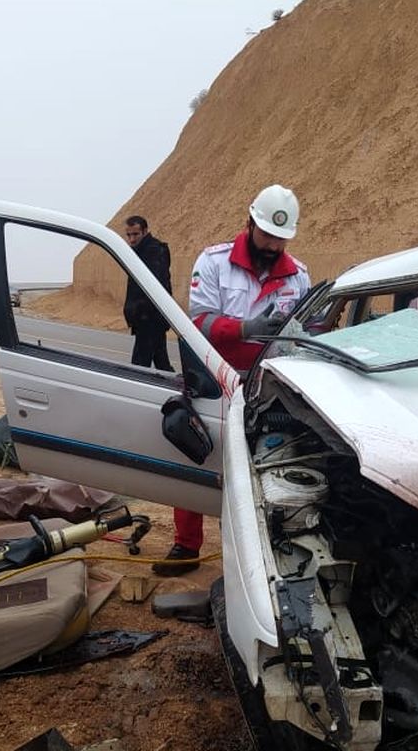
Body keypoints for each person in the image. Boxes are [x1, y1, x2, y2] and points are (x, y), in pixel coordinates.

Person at [154, 184, 311, 576]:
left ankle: (243, 559)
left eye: (281, 238)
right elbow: (199, 322)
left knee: (252, 472)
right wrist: (246, 327)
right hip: (213, 382)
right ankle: (186, 546)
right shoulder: (214, 263)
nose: (274, 245)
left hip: (268, 389)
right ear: (250, 223)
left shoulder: (299, 276)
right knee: (195, 456)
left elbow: (308, 329)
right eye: (267, 235)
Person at [122, 215, 174, 371]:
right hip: (148, 318)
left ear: (144, 232)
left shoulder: (154, 251)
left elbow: (155, 287)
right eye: (129, 235)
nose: (131, 239)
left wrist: (138, 311)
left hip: (150, 318)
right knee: (162, 364)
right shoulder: (139, 252)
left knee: (139, 368)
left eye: (135, 234)